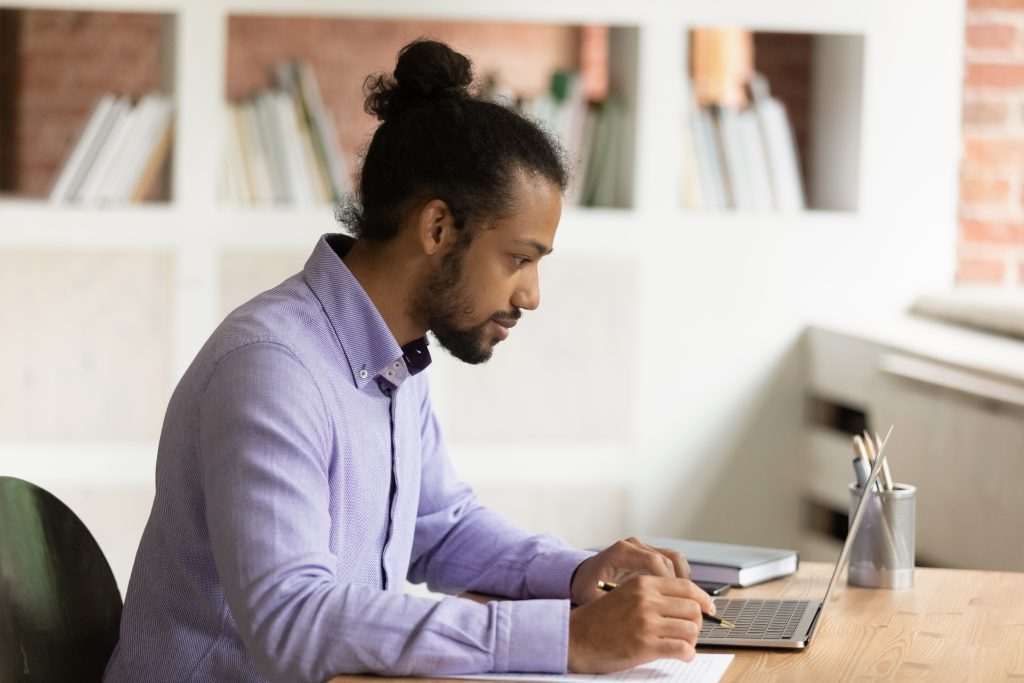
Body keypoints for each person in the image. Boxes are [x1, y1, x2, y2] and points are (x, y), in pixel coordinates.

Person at [102, 40, 714, 683]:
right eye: (519, 258)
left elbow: (438, 528)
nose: (531, 295)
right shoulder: (272, 368)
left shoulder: (394, 358)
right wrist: (563, 638)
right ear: (438, 228)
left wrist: (576, 574)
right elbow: (292, 622)